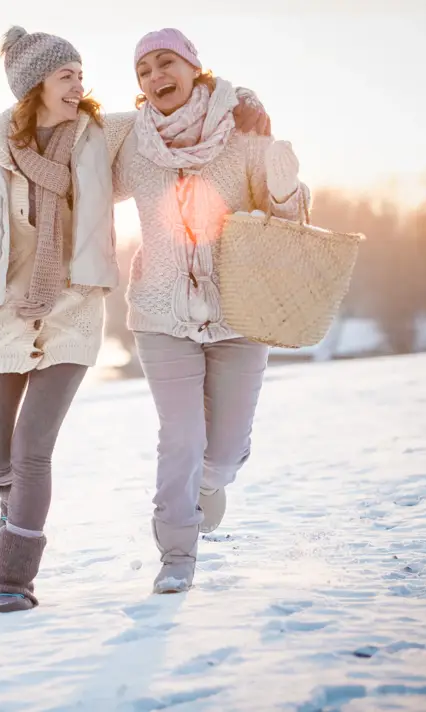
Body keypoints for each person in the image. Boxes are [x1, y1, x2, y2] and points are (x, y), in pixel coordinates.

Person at [0, 26, 270, 612]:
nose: (80, 84)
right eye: (67, 75)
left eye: (80, 74)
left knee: (31, 452)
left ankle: (11, 581)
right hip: (0, 318)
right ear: (34, 86)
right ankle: (13, 498)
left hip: (72, 314)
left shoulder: (105, 133)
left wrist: (242, 95)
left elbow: (178, 109)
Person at [110, 28, 311, 594]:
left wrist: (285, 180)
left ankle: (211, 480)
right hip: (160, 313)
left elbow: (287, 220)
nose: (155, 77)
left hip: (239, 313)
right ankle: (177, 553)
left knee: (219, 455)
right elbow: (75, 148)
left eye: (166, 63)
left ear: (195, 67)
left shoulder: (242, 130)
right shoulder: (132, 140)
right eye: (144, 70)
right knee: (180, 436)